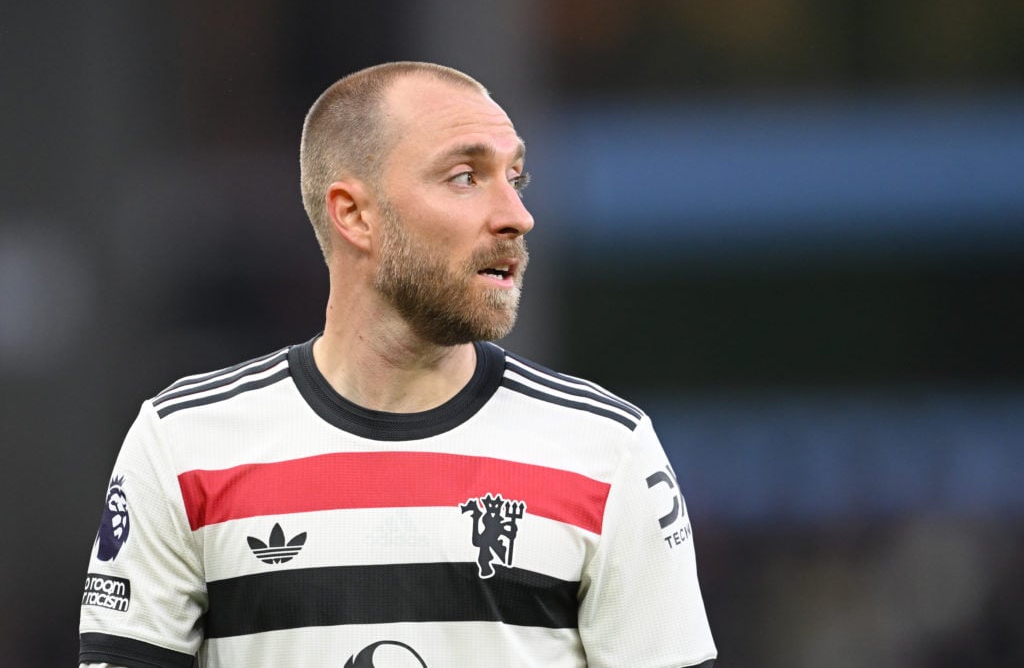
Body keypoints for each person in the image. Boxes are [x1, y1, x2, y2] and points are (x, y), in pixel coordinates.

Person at [78, 61, 717, 668]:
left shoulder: (608, 452)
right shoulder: (183, 445)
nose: (517, 215)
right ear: (354, 214)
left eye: (515, 178)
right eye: (466, 176)